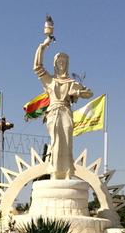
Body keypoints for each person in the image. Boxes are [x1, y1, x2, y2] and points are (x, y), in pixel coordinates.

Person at [33, 35, 93, 179]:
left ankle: (68, 173)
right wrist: (44, 45)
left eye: (64, 62)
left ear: (67, 64)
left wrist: (77, 92)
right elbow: (37, 67)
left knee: (67, 142)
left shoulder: (71, 82)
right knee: (56, 141)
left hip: (66, 112)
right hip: (53, 113)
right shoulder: (49, 80)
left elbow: (89, 93)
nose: (61, 64)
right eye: (59, 61)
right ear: (55, 63)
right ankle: (54, 171)